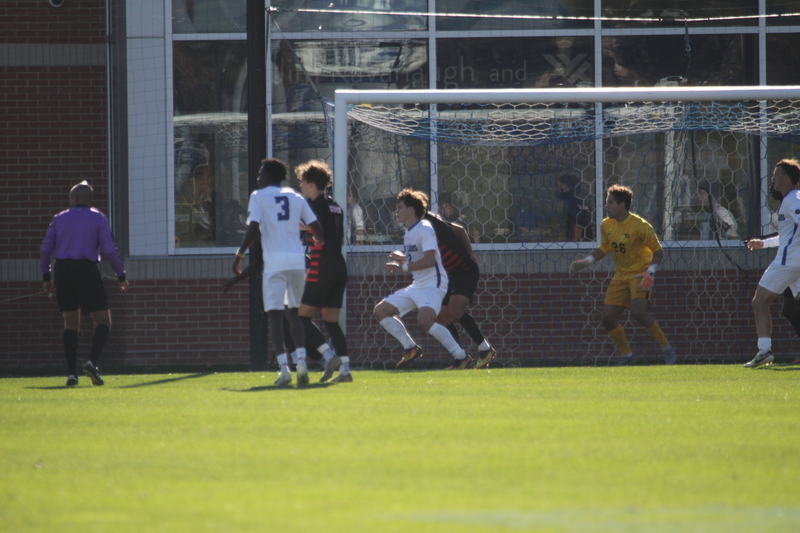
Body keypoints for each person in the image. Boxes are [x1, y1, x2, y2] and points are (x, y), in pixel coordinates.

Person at [232, 158, 324, 386]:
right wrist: (318, 239)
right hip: (296, 262)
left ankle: (284, 369)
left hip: (274, 263)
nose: (257, 178)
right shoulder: (295, 196)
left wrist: (239, 254)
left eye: (260, 174)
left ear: (269, 176)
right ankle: (302, 364)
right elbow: (317, 228)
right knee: (295, 314)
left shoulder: (258, 196)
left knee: (274, 315)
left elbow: (252, 228)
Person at [568, 184, 677, 366]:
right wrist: (585, 262)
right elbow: (605, 248)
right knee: (607, 319)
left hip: (640, 274)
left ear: (622, 205)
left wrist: (650, 272)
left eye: (610, 202)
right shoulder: (607, 224)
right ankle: (627, 355)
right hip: (620, 276)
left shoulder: (640, 226)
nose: (607, 206)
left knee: (638, 312)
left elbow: (658, 252)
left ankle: (666, 348)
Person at [40, 181, 129, 386]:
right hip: (86, 270)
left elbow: (46, 250)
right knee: (103, 321)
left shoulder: (59, 218)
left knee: (70, 323)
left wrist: (46, 277)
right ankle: (91, 362)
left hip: (62, 271)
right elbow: (109, 249)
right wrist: (121, 275)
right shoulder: (98, 218)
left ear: (75, 199)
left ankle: (71, 374)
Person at [374, 189, 471, 369]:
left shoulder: (424, 228)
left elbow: (429, 260)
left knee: (425, 321)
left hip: (434, 285)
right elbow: (418, 258)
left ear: (411, 210)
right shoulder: (410, 232)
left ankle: (461, 358)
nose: (397, 211)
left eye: (400, 207)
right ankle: (410, 347)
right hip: (418, 285)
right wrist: (402, 258)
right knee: (381, 311)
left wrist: (402, 267)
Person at [296, 160, 352, 383]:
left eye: (301, 182)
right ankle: (345, 371)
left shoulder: (314, 205)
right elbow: (337, 239)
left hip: (321, 267)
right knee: (330, 321)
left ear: (310, 183)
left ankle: (328, 356)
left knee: (301, 316)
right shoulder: (336, 206)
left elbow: (314, 229)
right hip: (339, 267)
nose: (300, 187)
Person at [743, 159, 800, 368]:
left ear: (785, 179)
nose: (773, 179)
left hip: (788, 263)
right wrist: (763, 243)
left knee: (759, 302)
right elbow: (788, 236)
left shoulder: (793, 200)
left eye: (776, 174)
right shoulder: (792, 200)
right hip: (795, 264)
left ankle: (764, 351)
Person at [424, 211, 496, 368]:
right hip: (448, 274)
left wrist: (470, 253)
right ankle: (461, 358)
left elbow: (461, 230)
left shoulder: (431, 222)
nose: (397, 212)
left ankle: (485, 349)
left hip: (464, 269)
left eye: (401, 207)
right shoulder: (414, 230)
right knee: (442, 316)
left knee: (455, 309)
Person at [556, 174, 593, 242]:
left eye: (559, 185)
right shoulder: (579, 202)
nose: (557, 188)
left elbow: (577, 224)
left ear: (566, 186)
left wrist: (575, 240)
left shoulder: (571, 202)